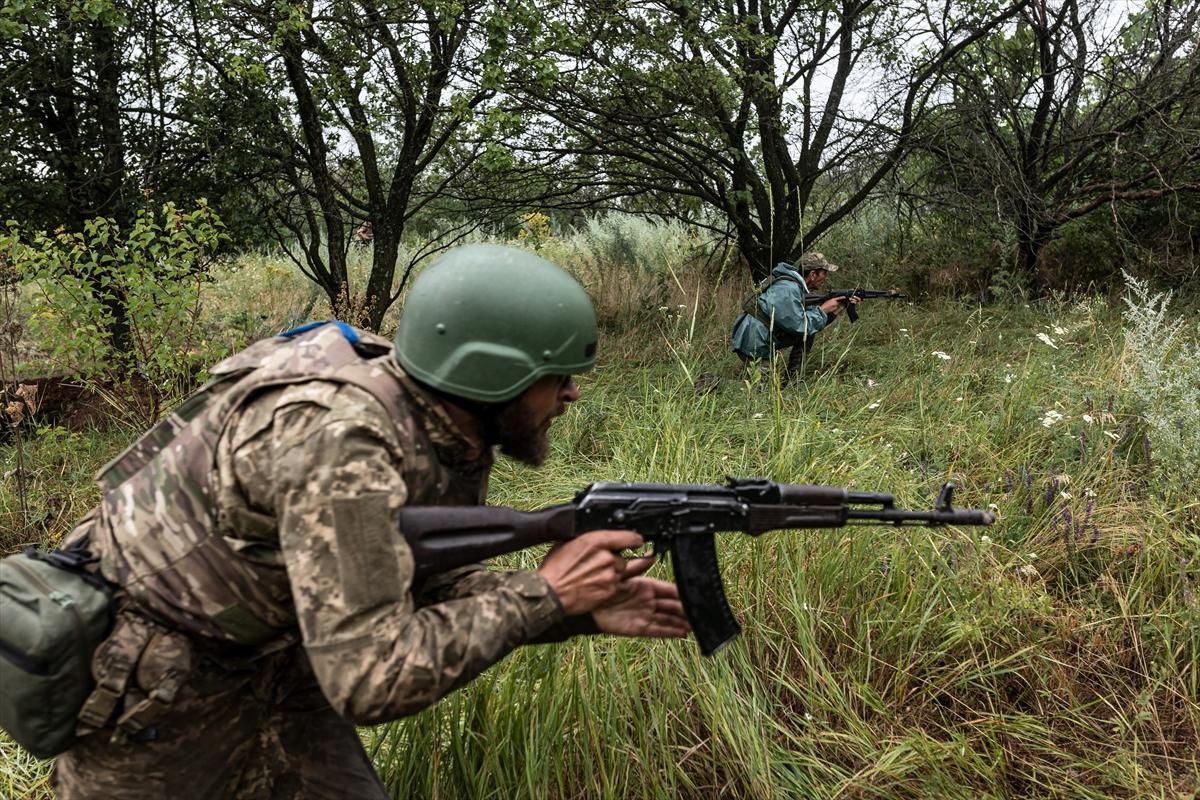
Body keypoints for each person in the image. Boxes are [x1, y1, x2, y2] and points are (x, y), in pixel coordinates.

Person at [50, 244, 690, 799]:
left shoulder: (443, 422)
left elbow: (424, 585)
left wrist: (571, 610)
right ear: (493, 375)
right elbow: (368, 676)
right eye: (556, 378)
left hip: (280, 650)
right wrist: (543, 595)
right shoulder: (341, 443)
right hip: (155, 679)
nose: (571, 394)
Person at [728, 251, 859, 387]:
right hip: (754, 340)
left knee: (809, 333)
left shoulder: (796, 287)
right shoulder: (788, 289)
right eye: (824, 273)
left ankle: (792, 381)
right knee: (760, 388)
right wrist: (823, 309)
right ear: (813, 274)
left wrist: (835, 309)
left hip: (761, 336)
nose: (826, 277)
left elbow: (810, 325)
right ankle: (712, 382)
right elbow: (801, 325)